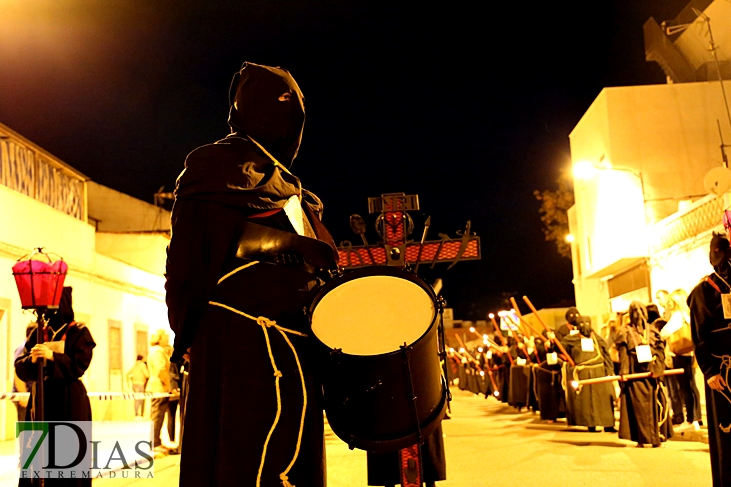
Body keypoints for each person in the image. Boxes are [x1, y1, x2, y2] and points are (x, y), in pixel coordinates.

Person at [166, 62, 338, 487]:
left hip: (297, 344)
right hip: (237, 342)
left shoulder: (293, 189)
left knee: (289, 455)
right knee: (246, 457)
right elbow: (189, 261)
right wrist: (186, 336)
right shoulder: (213, 166)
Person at [14, 287, 96, 487]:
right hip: (43, 398)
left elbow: (80, 364)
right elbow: (21, 366)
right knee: (39, 451)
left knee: (69, 454)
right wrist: (32, 360)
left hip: (70, 400)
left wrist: (52, 357)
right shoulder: (38, 333)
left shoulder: (79, 332)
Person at [687, 232, 731, 486]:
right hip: (722, 373)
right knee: (727, 431)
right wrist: (710, 370)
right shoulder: (704, 291)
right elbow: (699, 334)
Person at [615, 302, 669, 447]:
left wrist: (658, 370)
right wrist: (624, 374)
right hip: (635, 374)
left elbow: (660, 350)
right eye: (635, 311)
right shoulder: (625, 332)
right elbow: (624, 356)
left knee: (655, 405)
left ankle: (655, 437)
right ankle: (643, 438)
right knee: (639, 407)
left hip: (651, 373)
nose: (638, 314)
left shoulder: (652, 331)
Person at [561, 315, 615, 432]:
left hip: (599, 372)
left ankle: (608, 424)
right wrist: (551, 341)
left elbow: (606, 355)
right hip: (583, 373)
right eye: (581, 324)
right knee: (587, 402)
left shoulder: (598, 339)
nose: (584, 326)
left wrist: (609, 371)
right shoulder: (572, 339)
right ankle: (590, 424)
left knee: (604, 400)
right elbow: (559, 347)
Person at [147, 329, 172, 453]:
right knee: (157, 415)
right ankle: (154, 442)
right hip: (159, 387)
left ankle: (156, 441)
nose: (167, 339)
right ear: (160, 338)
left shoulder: (157, 351)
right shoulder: (158, 352)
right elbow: (161, 370)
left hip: (157, 386)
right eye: (166, 336)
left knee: (158, 415)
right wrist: (168, 386)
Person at [12, 324, 35, 422]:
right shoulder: (23, 348)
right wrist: (24, 395)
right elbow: (18, 373)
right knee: (26, 428)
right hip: (24, 395)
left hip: (30, 394)